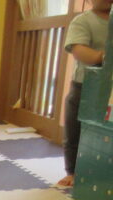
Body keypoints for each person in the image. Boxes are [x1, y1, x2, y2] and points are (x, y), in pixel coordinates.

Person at [57, 0, 111, 188]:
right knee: (75, 129)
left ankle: (103, 169)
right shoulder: (84, 21)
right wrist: (101, 56)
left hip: (110, 88)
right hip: (85, 86)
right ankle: (72, 171)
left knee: (105, 130)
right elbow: (79, 50)